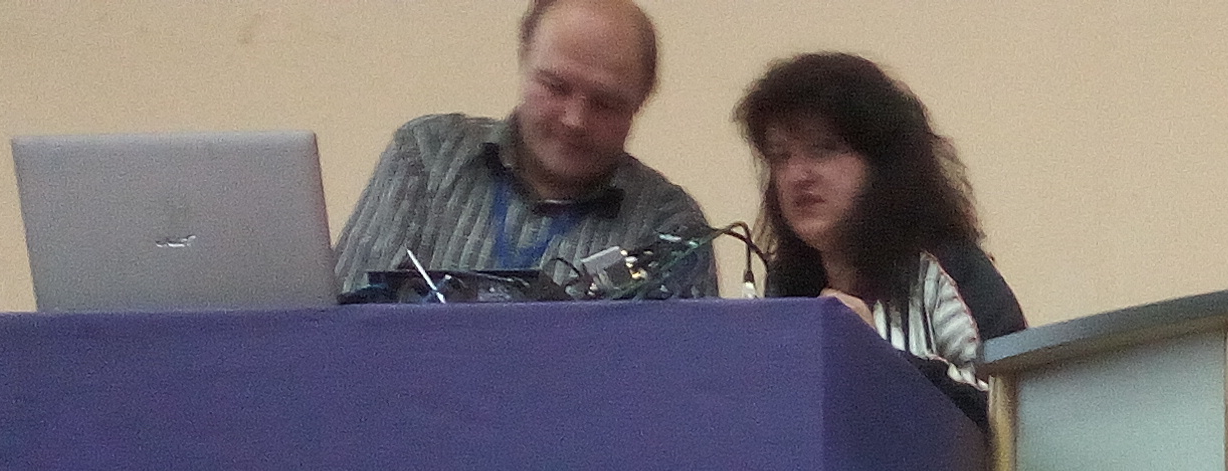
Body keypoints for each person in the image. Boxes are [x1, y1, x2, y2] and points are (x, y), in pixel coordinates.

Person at [332, 0, 717, 300]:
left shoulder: (672, 230)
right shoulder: (426, 156)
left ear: (641, 102)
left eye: (605, 103)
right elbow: (332, 326)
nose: (575, 120)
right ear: (524, 58)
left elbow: (677, 374)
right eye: (556, 87)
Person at [731, 52, 1022, 394]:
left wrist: (879, 359)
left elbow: (1008, 404)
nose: (797, 175)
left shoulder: (947, 267)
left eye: (823, 150)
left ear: (881, 165)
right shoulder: (785, 286)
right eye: (781, 156)